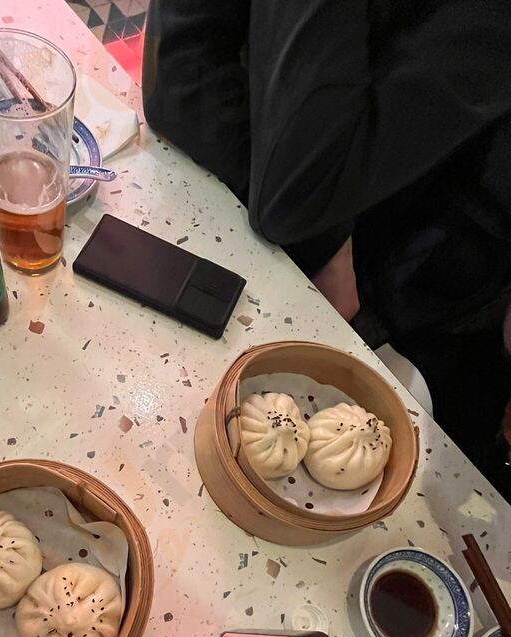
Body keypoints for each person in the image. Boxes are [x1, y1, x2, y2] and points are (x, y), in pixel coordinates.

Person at [142, 0, 511, 489]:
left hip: (425, 296)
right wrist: (325, 240)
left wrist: (315, 231)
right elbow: (178, 79)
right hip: (244, 208)